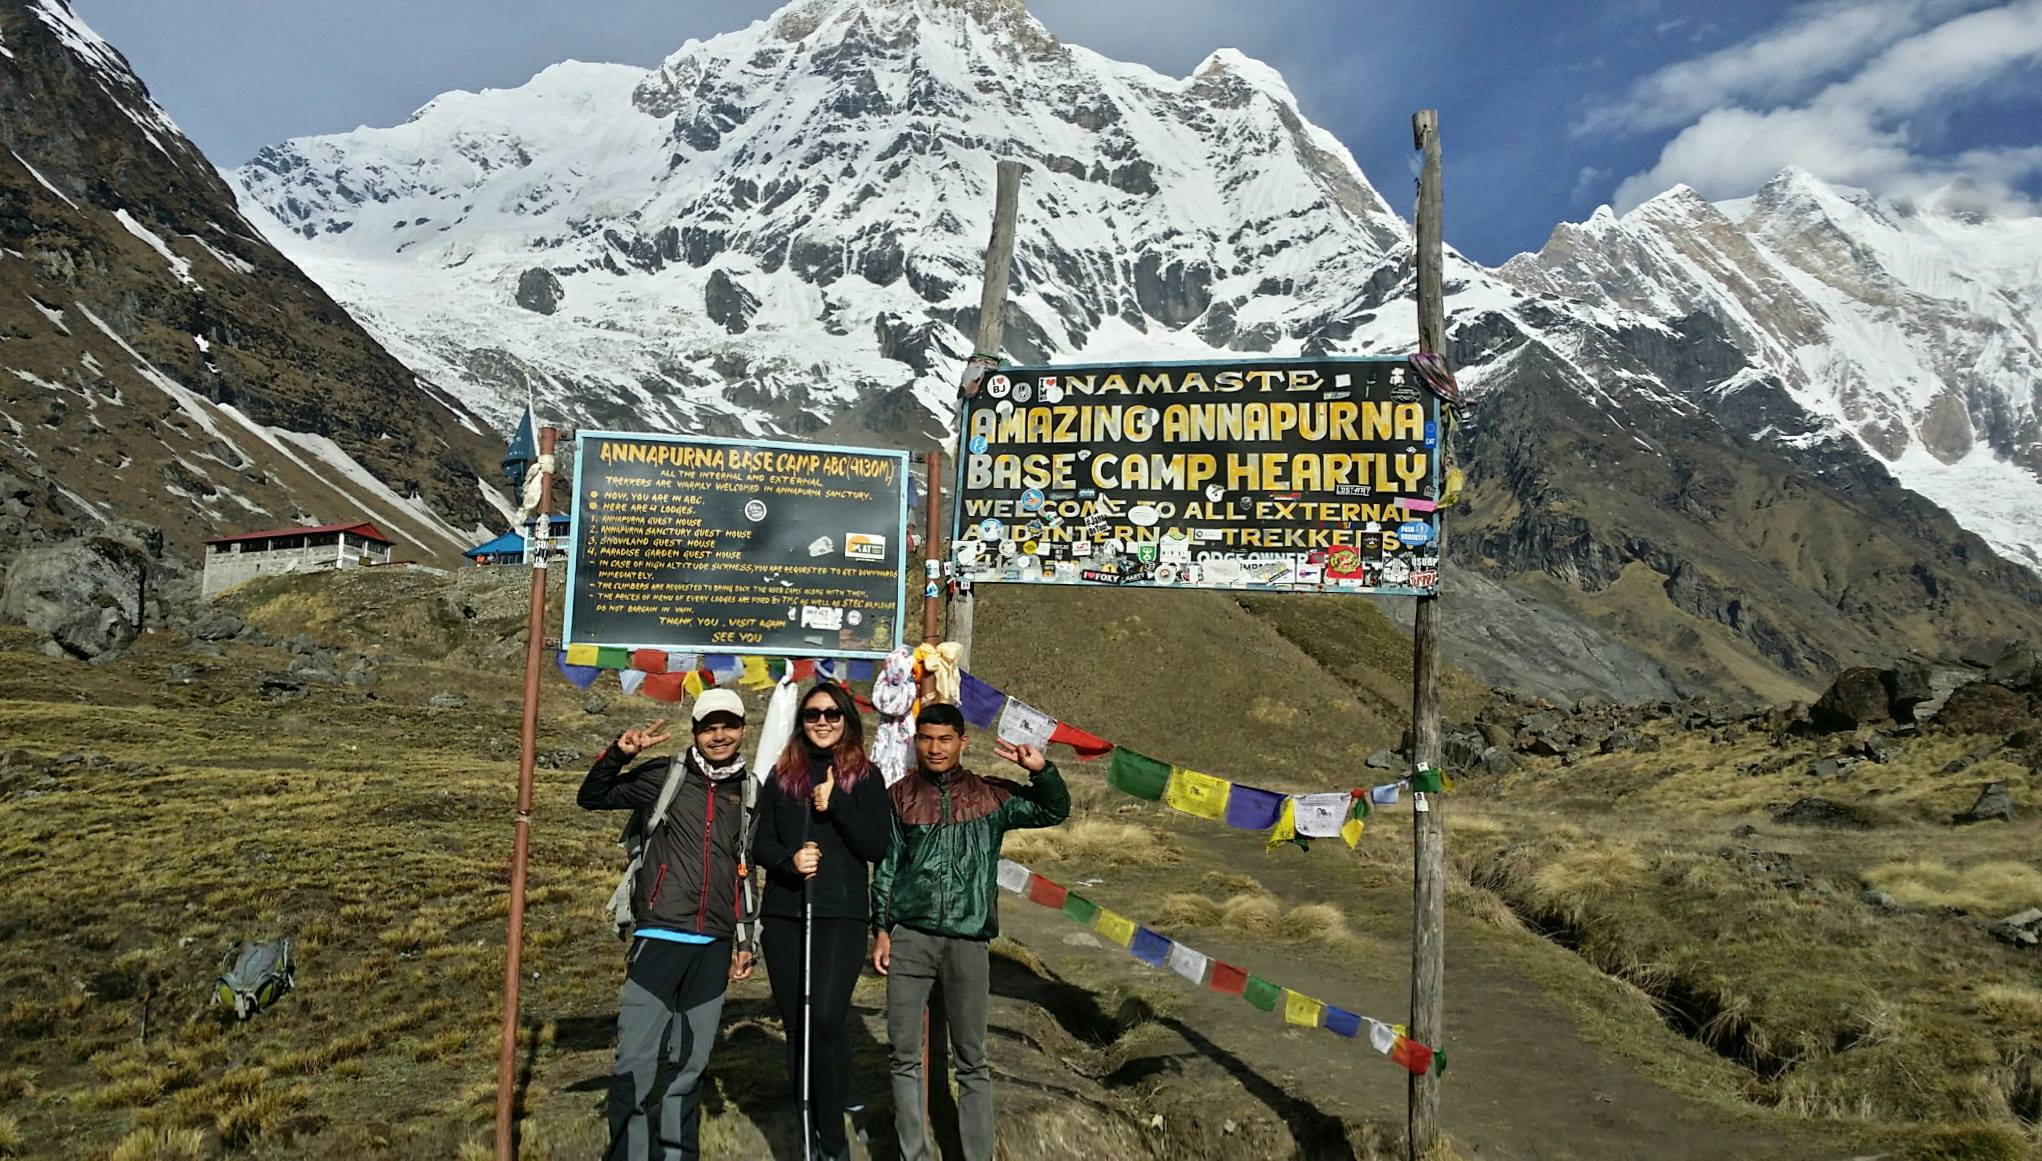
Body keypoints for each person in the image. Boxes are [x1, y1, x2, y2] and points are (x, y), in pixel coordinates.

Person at [870, 703, 1070, 1161]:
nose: (935, 748)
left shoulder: (991, 796)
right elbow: (886, 869)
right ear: (915, 741)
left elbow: (1052, 810)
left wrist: (1042, 772)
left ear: (964, 742)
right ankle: (914, 1153)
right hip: (910, 939)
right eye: (926, 738)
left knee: (972, 1061)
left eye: (945, 739)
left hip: (968, 939)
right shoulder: (899, 796)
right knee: (902, 1055)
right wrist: (881, 930)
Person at [577, 688, 761, 1161]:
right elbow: (592, 796)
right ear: (695, 731)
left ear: (742, 729)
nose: (719, 735)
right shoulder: (665, 776)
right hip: (658, 936)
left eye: (729, 725)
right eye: (709, 726)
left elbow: (746, 867)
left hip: (714, 945)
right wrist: (619, 753)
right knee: (635, 1064)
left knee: (690, 1067)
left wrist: (745, 938)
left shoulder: (750, 790)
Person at [751, 681, 892, 1161]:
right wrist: (790, 861)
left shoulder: (865, 777)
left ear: (848, 720)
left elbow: (878, 846)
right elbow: (759, 842)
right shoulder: (782, 775)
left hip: (841, 913)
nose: (823, 721)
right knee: (797, 1026)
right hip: (786, 913)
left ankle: (834, 1141)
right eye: (813, 714)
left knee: (827, 1019)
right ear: (802, 721)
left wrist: (839, 806)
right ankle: (806, 1132)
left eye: (833, 713)